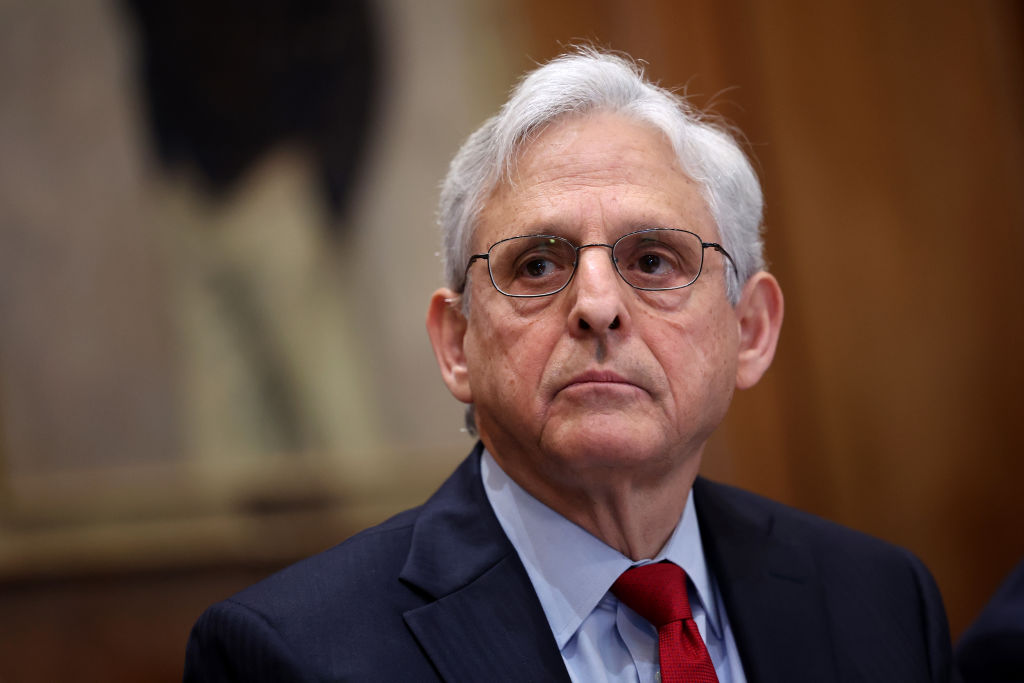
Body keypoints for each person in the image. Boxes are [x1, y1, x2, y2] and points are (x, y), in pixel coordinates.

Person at [184, 47, 954, 682]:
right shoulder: (289, 657)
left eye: (653, 260)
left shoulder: (881, 603)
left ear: (749, 330)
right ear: (457, 345)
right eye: (537, 266)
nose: (596, 303)